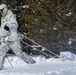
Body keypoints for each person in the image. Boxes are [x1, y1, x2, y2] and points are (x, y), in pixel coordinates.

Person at [0, 4, 35, 70]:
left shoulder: (11, 16)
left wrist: (9, 27)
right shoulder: (2, 18)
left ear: (5, 9)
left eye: (1, 10)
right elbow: (2, 29)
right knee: (1, 52)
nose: (0, 12)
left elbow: (15, 25)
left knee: (19, 54)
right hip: (5, 39)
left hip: (12, 39)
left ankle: (32, 62)